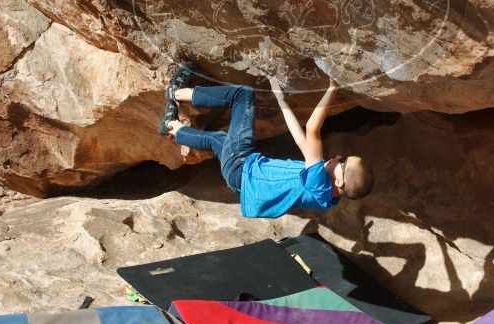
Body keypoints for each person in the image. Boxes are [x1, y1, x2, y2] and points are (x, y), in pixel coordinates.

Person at [159, 63, 374, 218]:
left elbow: (311, 129)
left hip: (242, 166)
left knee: (243, 95)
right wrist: (281, 100)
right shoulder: (326, 196)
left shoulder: (319, 185)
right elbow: (301, 139)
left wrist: (332, 89)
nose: (337, 157)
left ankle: (176, 92)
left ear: (340, 181)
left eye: (343, 161)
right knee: (218, 141)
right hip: (239, 178)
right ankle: (172, 127)